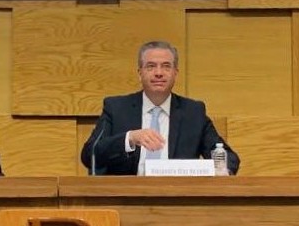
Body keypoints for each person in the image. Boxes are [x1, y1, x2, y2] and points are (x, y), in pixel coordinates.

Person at [81, 40, 239, 175]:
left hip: (178, 195)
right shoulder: (117, 108)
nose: (159, 73)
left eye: (166, 66)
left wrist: (221, 171)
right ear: (140, 73)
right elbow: (90, 154)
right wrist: (130, 138)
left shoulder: (193, 112)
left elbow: (229, 158)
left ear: (175, 73)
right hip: (127, 195)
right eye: (151, 66)